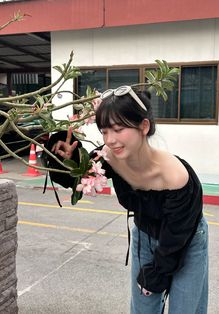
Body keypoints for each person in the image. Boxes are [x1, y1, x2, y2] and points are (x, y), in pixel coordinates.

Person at [51, 86, 208, 314]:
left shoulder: (176, 175)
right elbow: (79, 175)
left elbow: (177, 234)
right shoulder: (109, 156)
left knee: (185, 309)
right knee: (143, 310)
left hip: (185, 239)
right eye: (104, 131)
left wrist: (156, 275)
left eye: (118, 129)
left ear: (143, 127)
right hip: (144, 235)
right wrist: (66, 158)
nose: (111, 140)